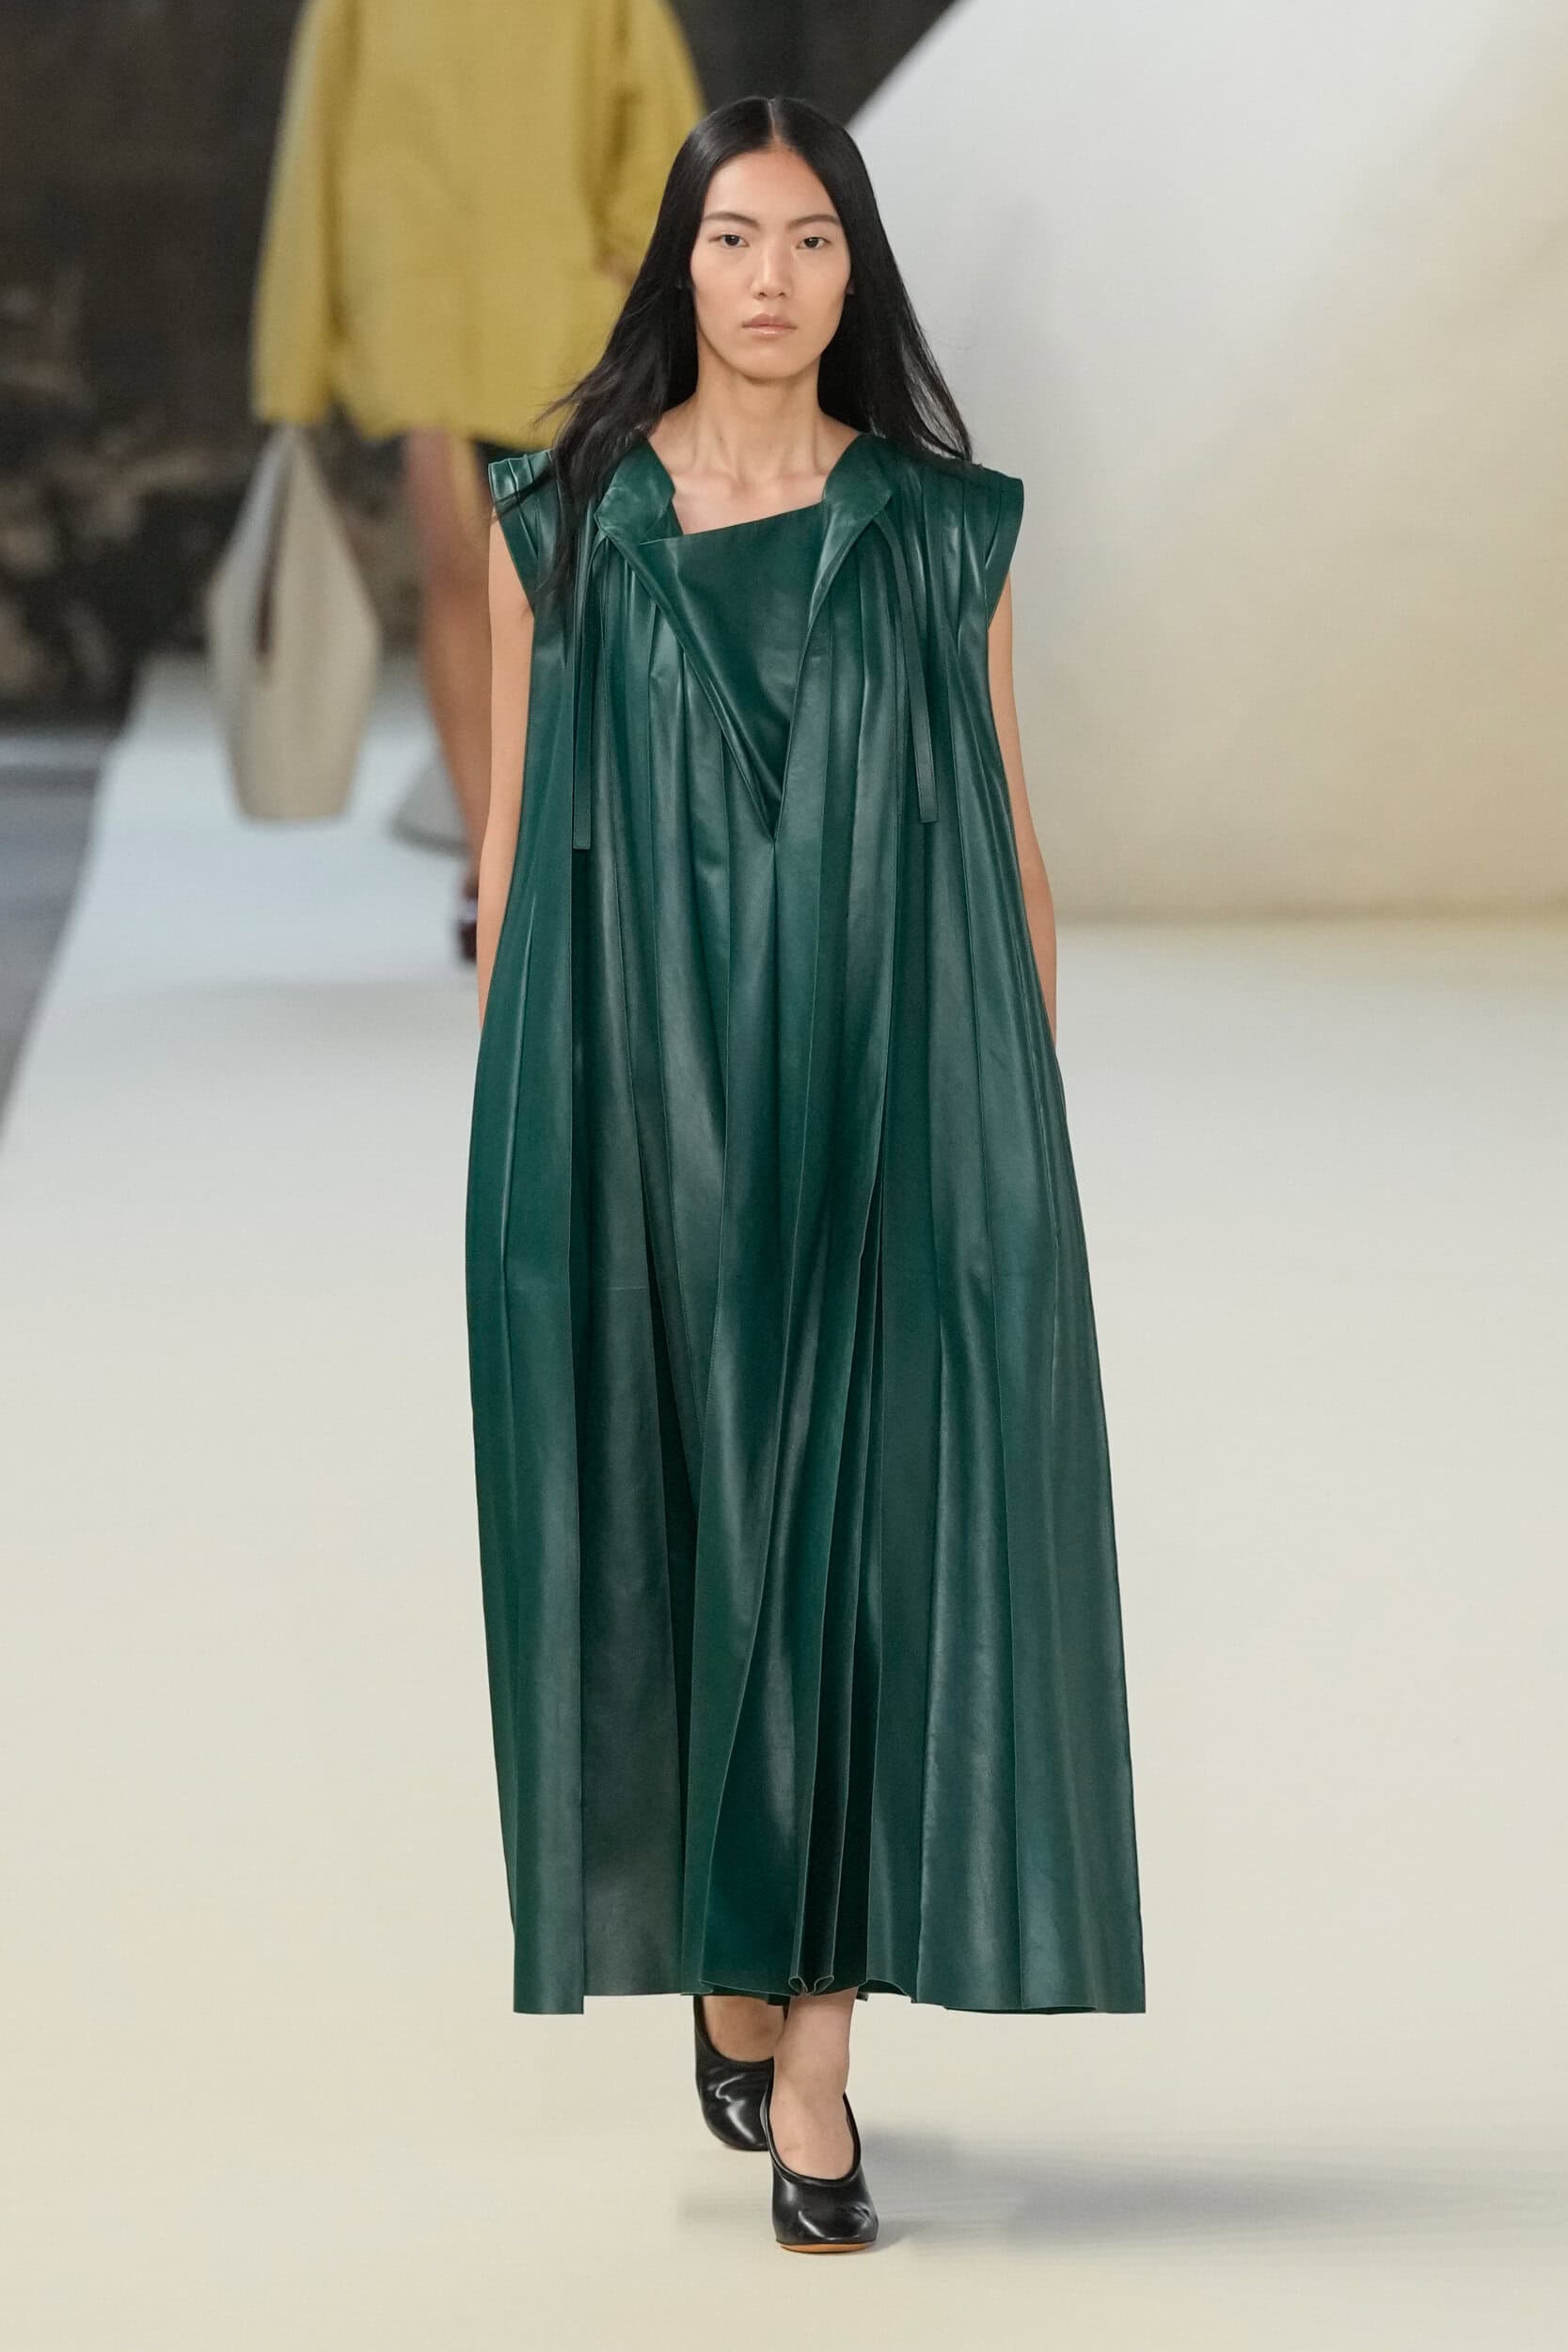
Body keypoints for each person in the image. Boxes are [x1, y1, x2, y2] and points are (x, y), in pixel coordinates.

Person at [468, 95, 1145, 2254]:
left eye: (812, 240)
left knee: (857, 1563)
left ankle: (818, 2073)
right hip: (639, 1116)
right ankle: (733, 1954)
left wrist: (1008, 1156)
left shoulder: (944, 533)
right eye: (733, 238)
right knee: (681, 1535)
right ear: (676, 262)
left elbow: (1009, 846)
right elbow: (516, 857)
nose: (770, 280)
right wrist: (518, 1160)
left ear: (859, 270)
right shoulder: (561, 524)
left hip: (878, 1111)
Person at [249, 0, 704, 958]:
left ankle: (563, 852)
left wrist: (633, 263)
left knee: (563, 591)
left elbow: (654, 113)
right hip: (420, 299)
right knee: (462, 575)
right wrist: (297, 353)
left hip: (559, 297)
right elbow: (319, 139)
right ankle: (492, 863)